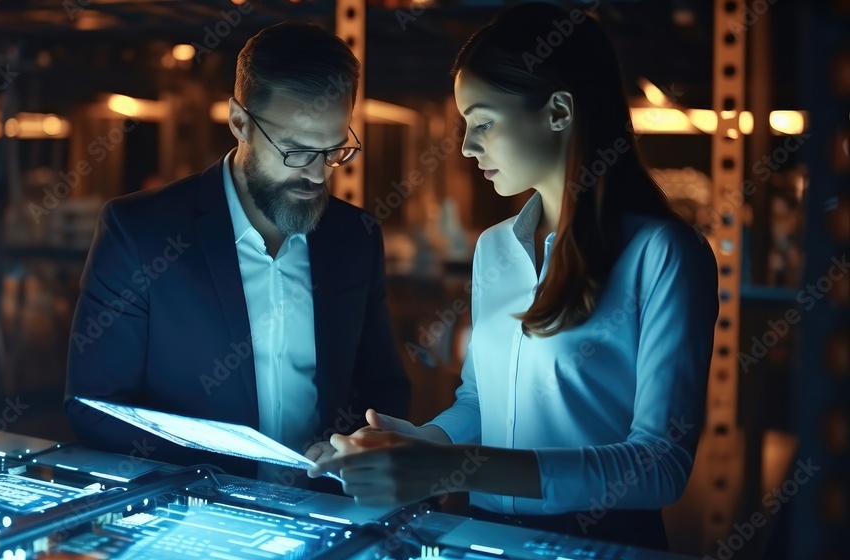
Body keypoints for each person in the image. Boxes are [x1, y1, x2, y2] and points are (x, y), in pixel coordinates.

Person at [310, 2, 718, 550]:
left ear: (557, 111)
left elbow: (659, 464)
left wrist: (452, 467)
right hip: (482, 537)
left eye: (483, 121)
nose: (467, 146)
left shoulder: (662, 253)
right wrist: (418, 444)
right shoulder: (495, 248)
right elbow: (480, 403)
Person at [65, 21, 411, 490]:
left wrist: (357, 444)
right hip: (193, 516)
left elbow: (383, 389)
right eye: (294, 149)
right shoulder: (142, 233)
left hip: (325, 513)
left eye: (332, 150)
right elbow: (94, 406)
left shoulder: (356, 236)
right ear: (238, 121)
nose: (315, 174)